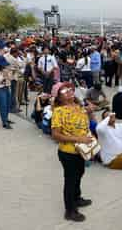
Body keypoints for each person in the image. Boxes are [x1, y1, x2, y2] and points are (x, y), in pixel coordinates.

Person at [51, 82, 93, 222]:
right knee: (70, 180)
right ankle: (70, 211)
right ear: (59, 97)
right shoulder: (58, 111)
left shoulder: (78, 106)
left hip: (82, 150)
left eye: (70, 89)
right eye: (64, 91)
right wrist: (78, 138)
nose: (69, 92)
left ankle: (77, 198)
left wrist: (90, 112)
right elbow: (55, 135)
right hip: (68, 152)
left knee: (80, 174)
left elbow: (84, 124)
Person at [0, 56, 12, 129]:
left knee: (8, 104)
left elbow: (10, 79)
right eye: (2, 65)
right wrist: (3, 76)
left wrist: (8, 74)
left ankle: (6, 118)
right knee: (3, 105)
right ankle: (4, 122)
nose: (4, 66)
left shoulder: (4, 69)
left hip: (6, 88)